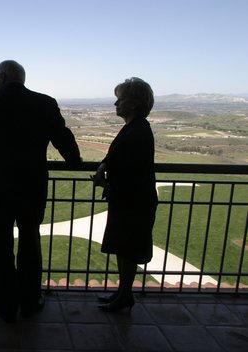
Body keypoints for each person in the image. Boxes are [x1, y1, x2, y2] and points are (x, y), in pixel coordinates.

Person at [0, 60, 82, 322]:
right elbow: (65, 141)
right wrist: (75, 161)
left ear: (2, 77)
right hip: (31, 187)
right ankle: (29, 299)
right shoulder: (45, 103)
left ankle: (4, 303)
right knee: (30, 242)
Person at [91, 77, 158, 312]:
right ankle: (123, 293)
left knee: (127, 249)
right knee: (124, 248)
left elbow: (130, 171)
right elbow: (115, 156)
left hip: (133, 202)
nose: (115, 104)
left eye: (120, 99)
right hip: (130, 201)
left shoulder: (137, 131)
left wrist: (106, 184)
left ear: (135, 103)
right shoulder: (134, 127)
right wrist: (103, 167)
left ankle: (124, 296)